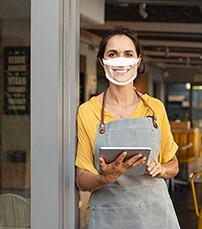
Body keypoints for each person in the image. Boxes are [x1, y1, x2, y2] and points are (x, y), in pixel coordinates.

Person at [75, 26, 180, 228]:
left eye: (128, 54)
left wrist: (161, 168)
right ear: (102, 61)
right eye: (112, 54)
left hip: (155, 215)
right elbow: (81, 179)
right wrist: (106, 177)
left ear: (138, 60)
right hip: (110, 216)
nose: (120, 60)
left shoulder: (155, 108)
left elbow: (173, 164)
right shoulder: (88, 111)